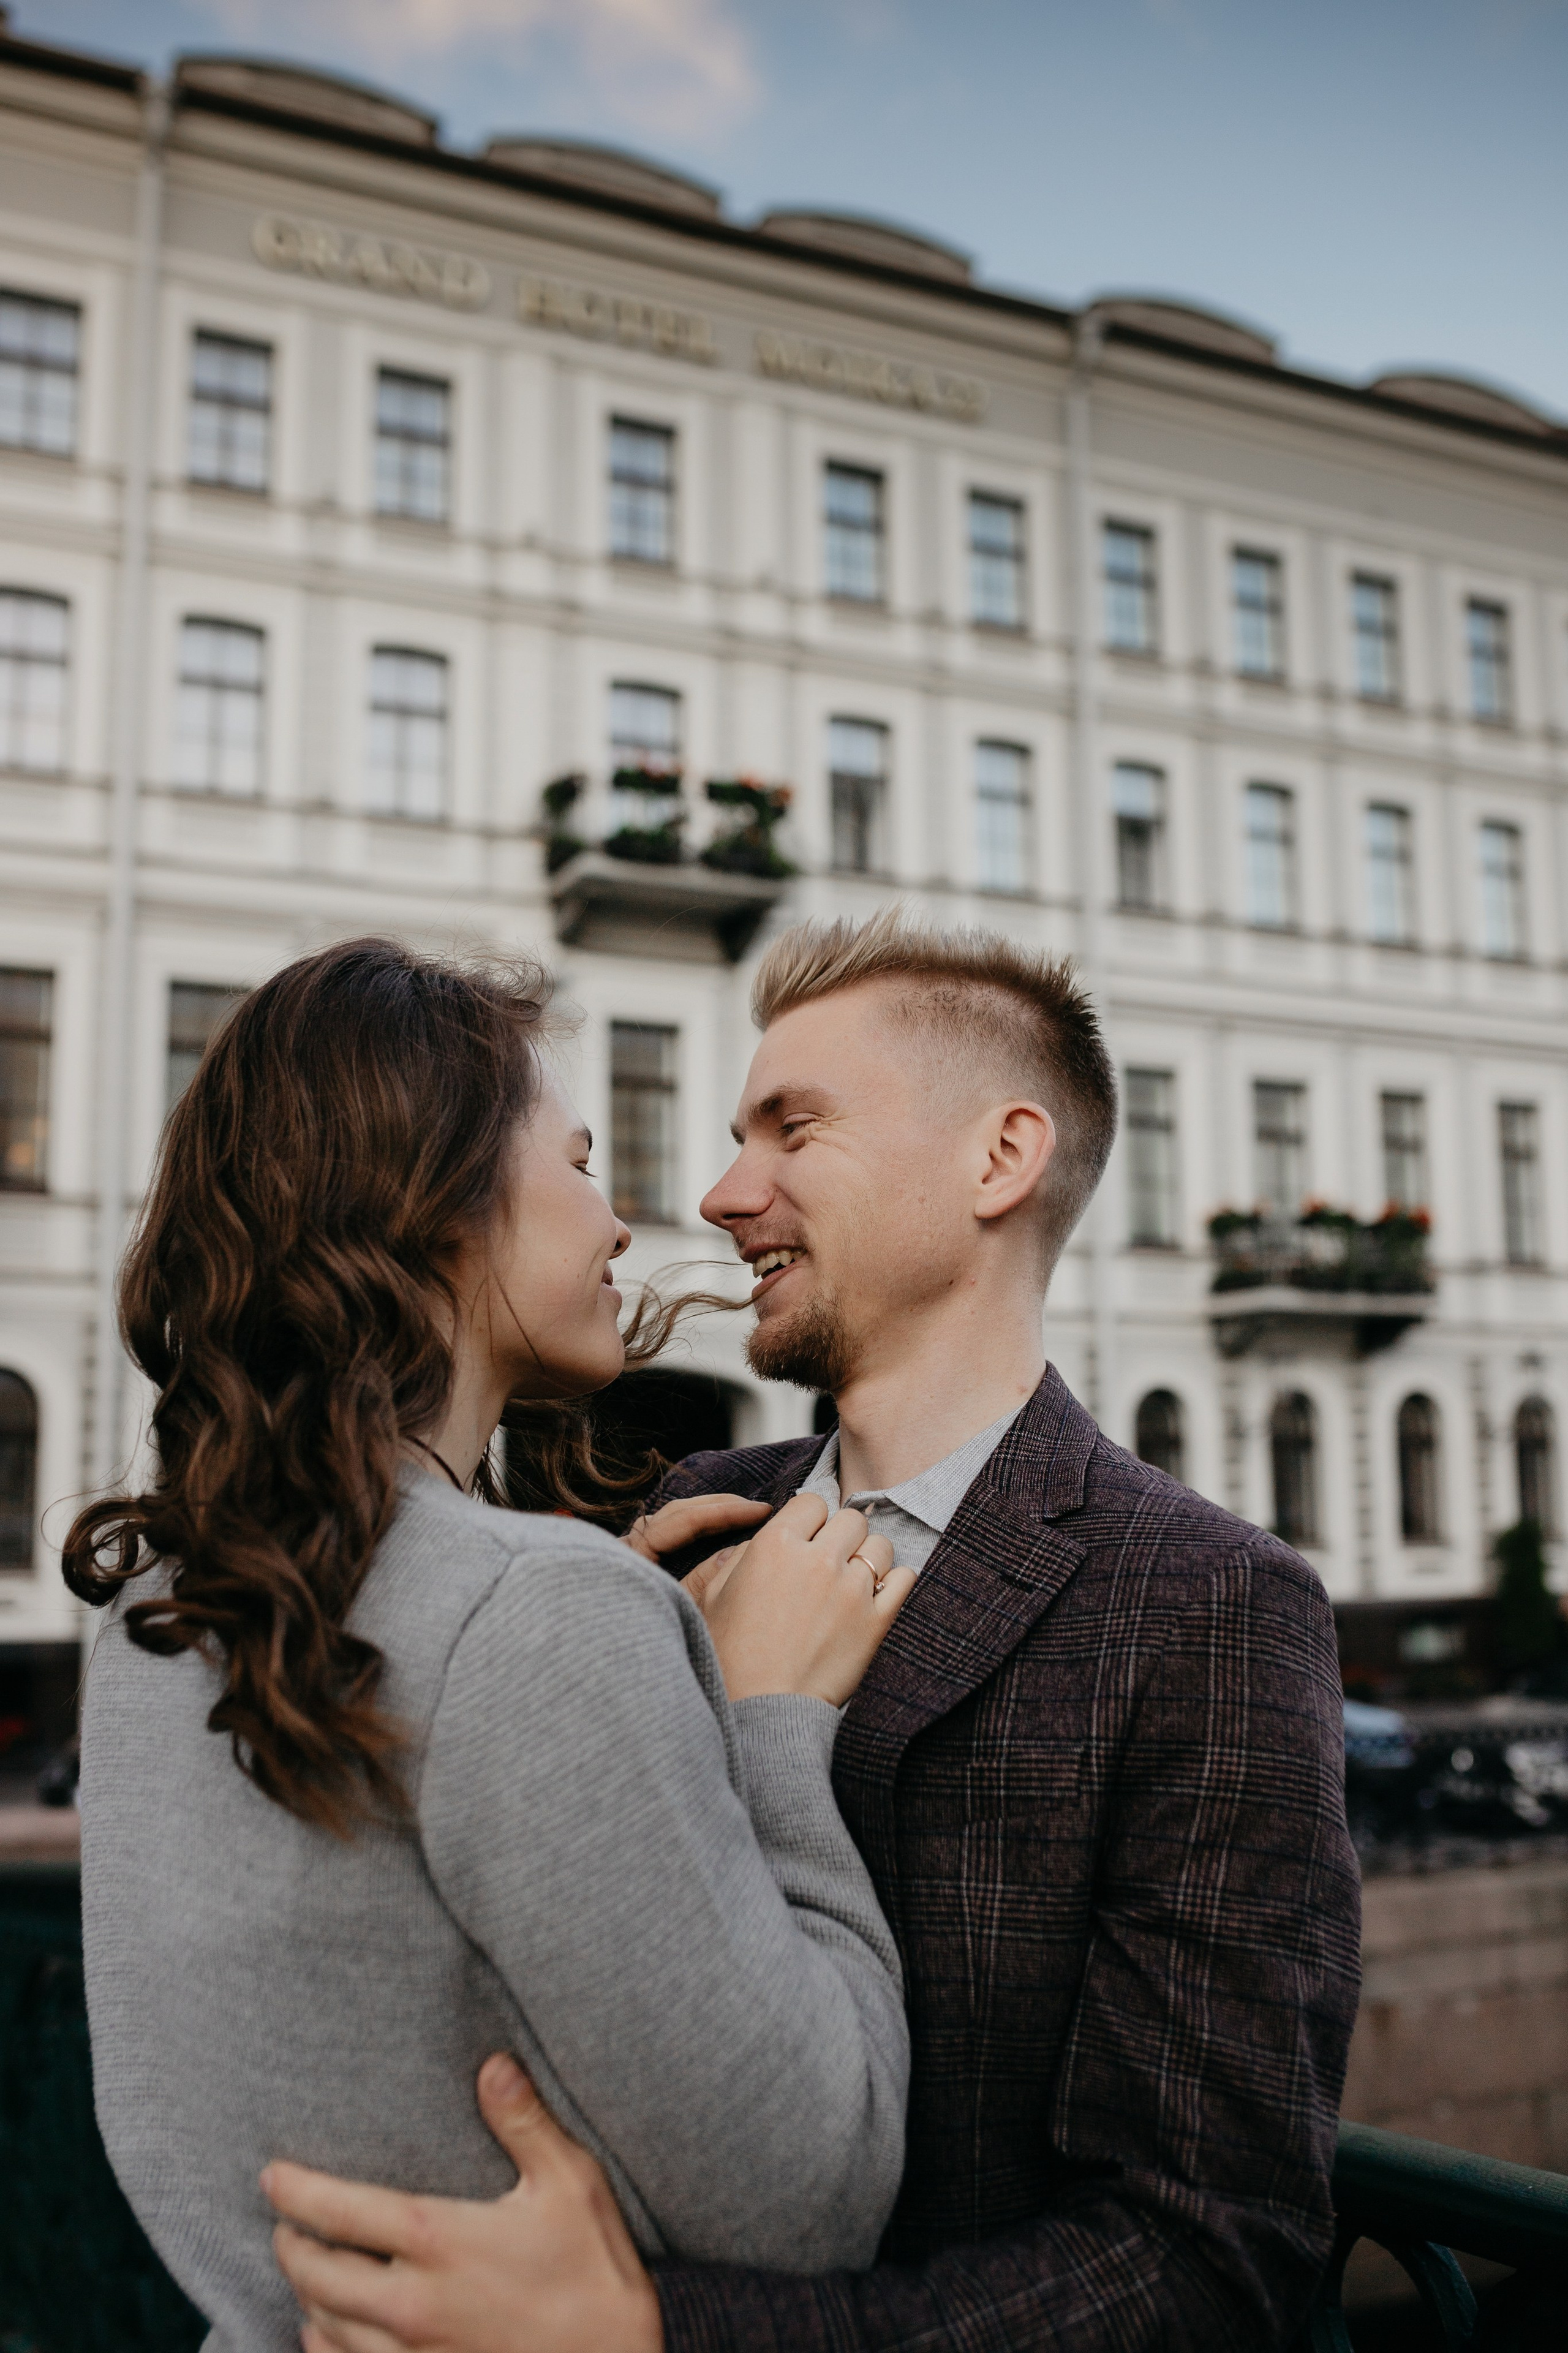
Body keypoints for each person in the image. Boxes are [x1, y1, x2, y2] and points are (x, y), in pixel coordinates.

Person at [269, 909, 1362, 2353]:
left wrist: (657, 2337)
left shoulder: (1209, 1605)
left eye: (792, 1128)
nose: (722, 1194)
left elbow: (1211, 2255)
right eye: (736, 1136)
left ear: (999, 1158)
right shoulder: (677, 1522)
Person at [69, 937, 920, 2352]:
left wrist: (615, 1655)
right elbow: (814, 2196)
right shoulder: (534, 1616)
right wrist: (764, 1710)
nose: (617, 1225)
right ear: (443, 1206)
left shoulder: (157, 1599)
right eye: (582, 1162)